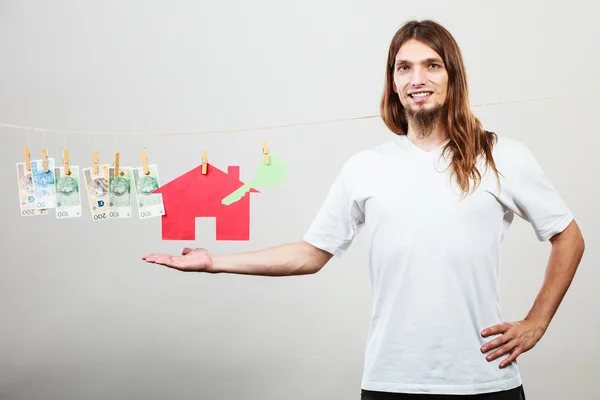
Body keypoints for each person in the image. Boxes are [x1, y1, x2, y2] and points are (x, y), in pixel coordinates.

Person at [142, 19, 585, 399]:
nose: (418, 78)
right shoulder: (366, 167)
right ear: (393, 81)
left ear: (453, 76)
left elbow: (569, 236)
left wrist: (536, 322)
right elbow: (311, 253)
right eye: (404, 67)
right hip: (391, 380)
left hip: (483, 380)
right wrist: (214, 262)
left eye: (432, 65)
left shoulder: (501, 157)